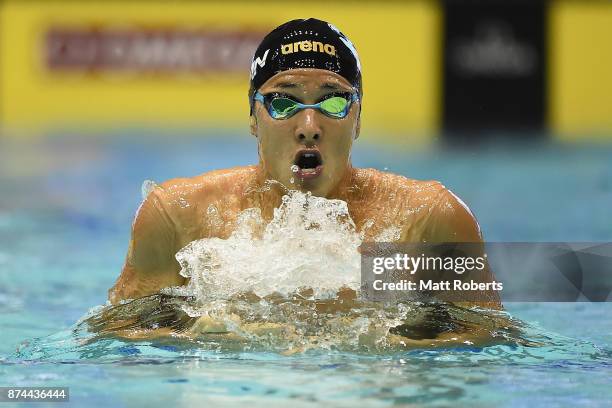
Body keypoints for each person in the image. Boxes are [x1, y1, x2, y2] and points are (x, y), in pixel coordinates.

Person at [108, 18, 501, 310]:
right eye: (283, 103)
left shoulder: (423, 222)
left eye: (333, 102)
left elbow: (484, 348)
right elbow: (123, 345)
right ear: (252, 117)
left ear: (358, 119)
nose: (309, 127)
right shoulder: (180, 218)